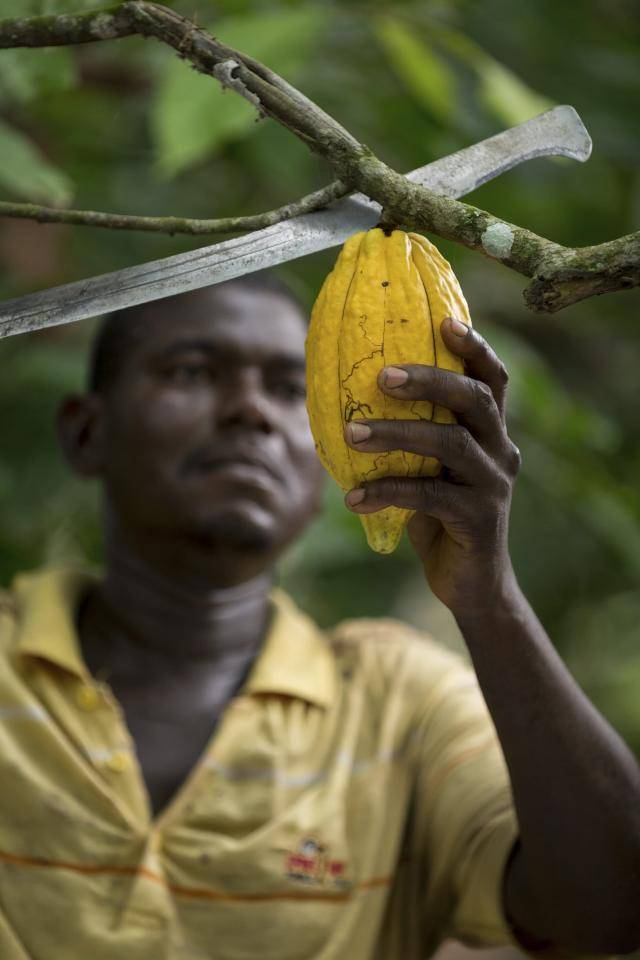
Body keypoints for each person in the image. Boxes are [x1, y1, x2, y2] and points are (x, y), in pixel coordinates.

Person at [0, 273, 637, 960]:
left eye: (290, 389)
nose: (251, 411)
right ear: (86, 432)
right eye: (191, 371)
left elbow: (611, 914)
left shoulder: (399, 702)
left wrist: (491, 597)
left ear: (331, 447)